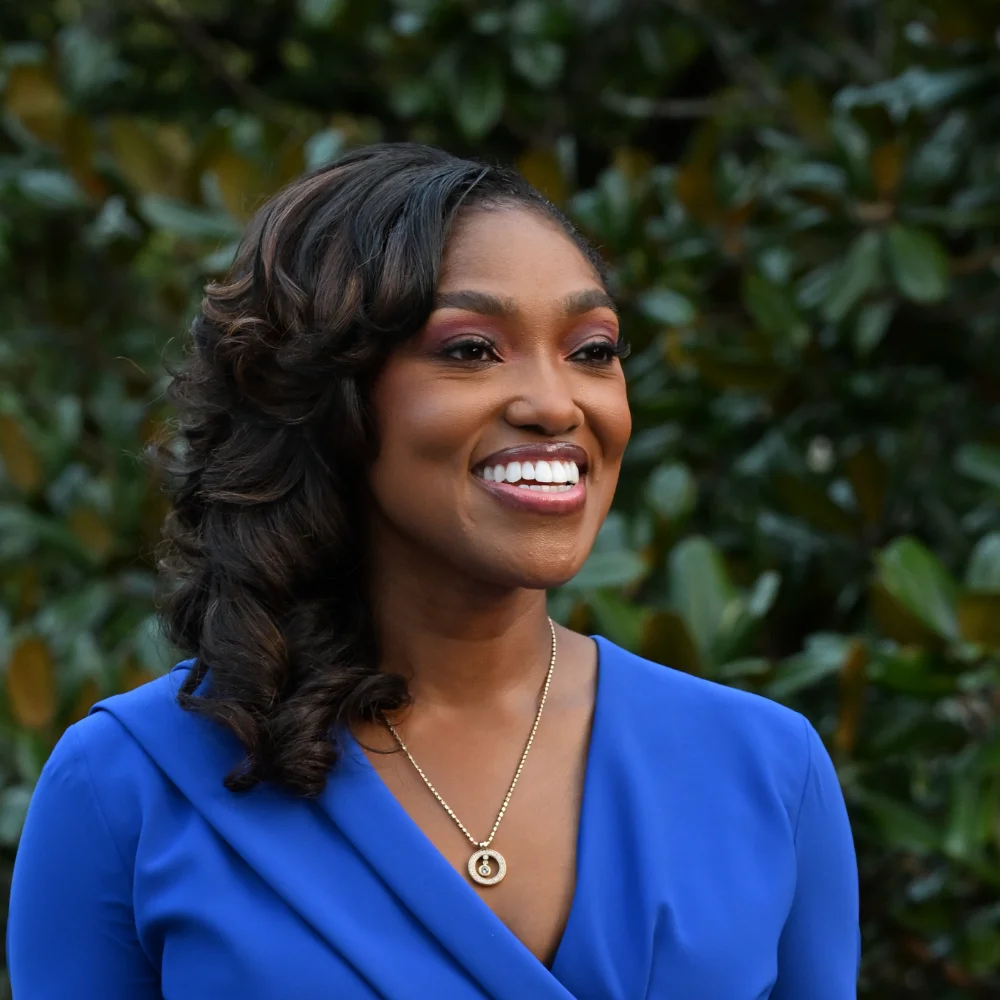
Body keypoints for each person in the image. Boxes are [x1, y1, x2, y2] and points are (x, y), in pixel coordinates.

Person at [7, 143, 860, 999]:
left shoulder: (766, 770)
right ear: (328, 396)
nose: (556, 404)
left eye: (592, 349)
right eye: (472, 350)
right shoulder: (128, 787)